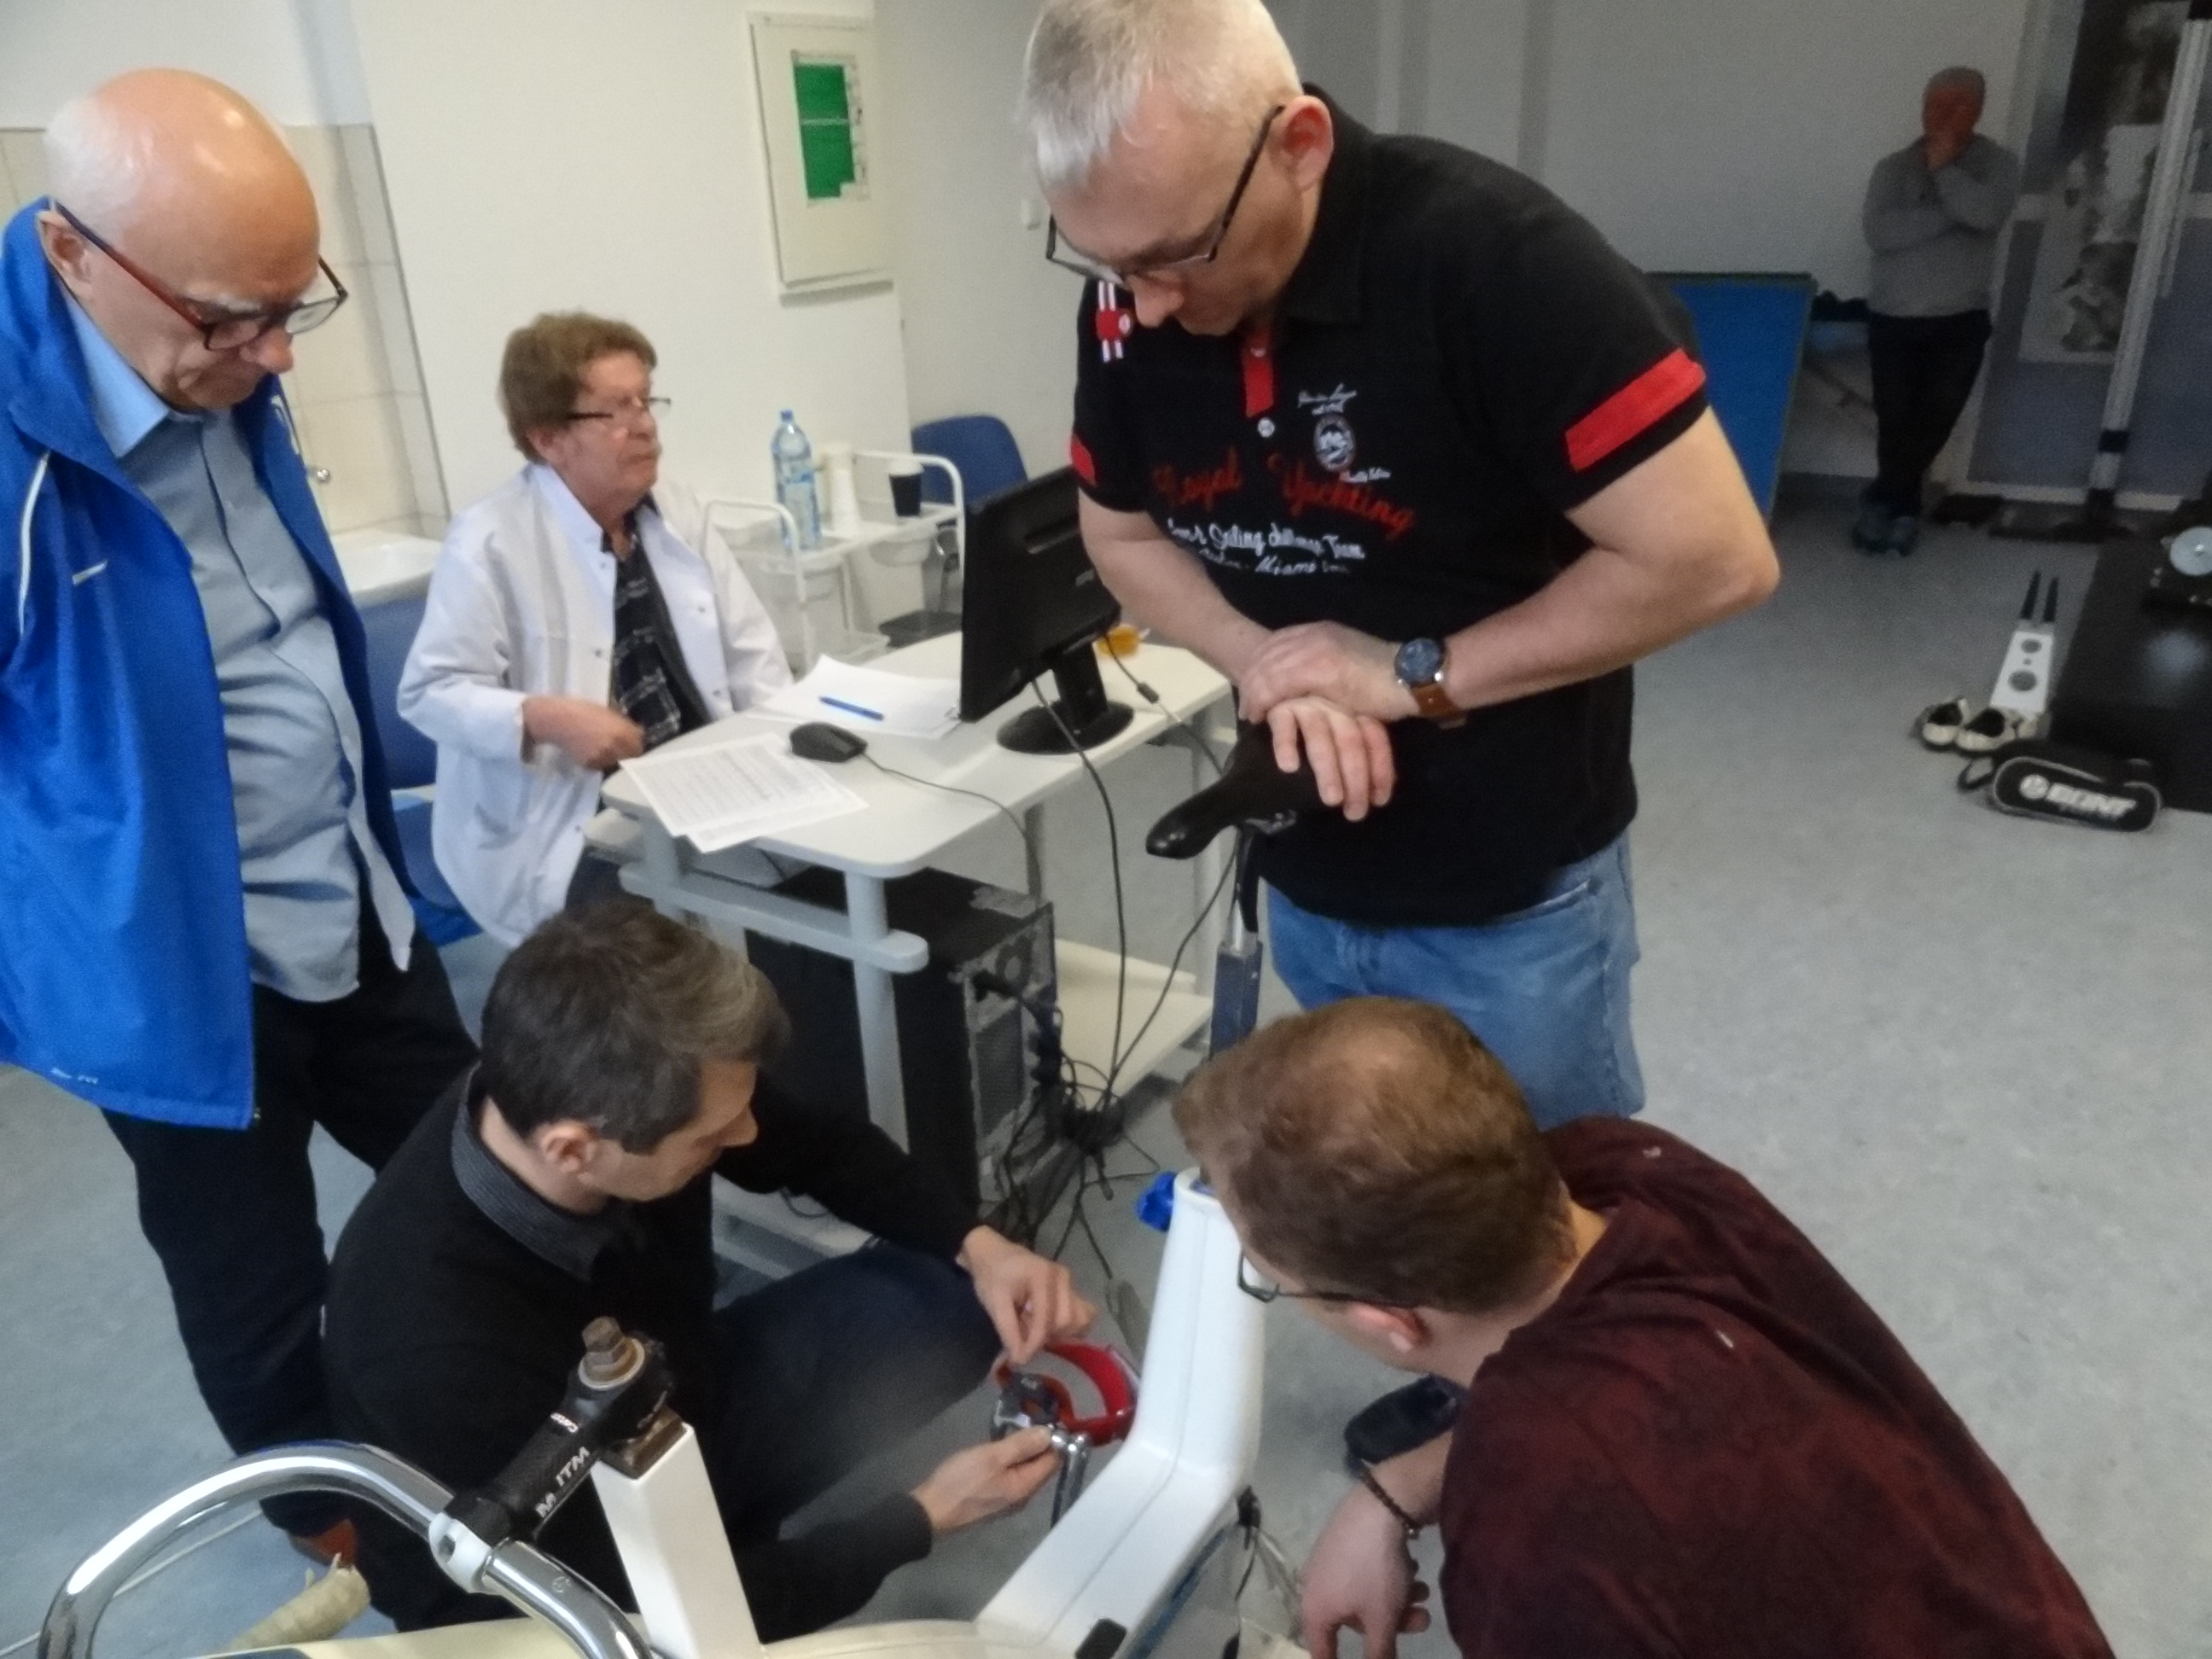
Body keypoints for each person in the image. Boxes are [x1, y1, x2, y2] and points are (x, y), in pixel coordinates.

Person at [1019, 0, 1778, 1135]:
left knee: (1546, 1193)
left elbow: (1714, 558)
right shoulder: (1132, 301)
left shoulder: (1498, 263)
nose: (1146, 306)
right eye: (1103, 261)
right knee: (1376, 1190)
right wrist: (1269, 661)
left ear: (1299, 145)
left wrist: (1406, 674)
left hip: (1509, 894)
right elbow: (1120, 535)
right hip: (1310, 866)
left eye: (1176, 255)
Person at [0, 71, 475, 1563]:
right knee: (254, 1275)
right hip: (175, 966)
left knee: (488, 1155)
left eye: (292, 306)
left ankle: (526, 1408)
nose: (274, 353)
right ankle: (335, 1531)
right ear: (73, 254)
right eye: (230, 319)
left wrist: (226, 334)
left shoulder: (220, 359)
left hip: (349, 889)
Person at [1174, 998, 2116, 1659]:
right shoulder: (1635, 1175)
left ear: (1392, 1323)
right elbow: (1620, 1417)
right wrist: (1391, 1492)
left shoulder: (1538, 1531)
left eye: (1274, 1280)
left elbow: (1586, 1461)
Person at [325, 902, 1094, 1632]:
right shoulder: (431, 1346)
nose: (750, 1134)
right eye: (711, 1138)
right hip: (546, 1597)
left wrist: (982, 1247)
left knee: (958, 1297)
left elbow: (822, 1148)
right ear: (575, 1150)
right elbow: (644, 1615)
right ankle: (742, 1532)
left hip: (673, 1391)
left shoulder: (594, 1090)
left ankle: (738, 1518)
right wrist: (921, 1517)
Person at [399, 312, 791, 946]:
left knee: (817, 888)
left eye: (646, 400)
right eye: (615, 410)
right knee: (666, 961)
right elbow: (429, 694)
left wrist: (790, 755)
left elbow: (752, 655)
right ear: (549, 438)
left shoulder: (676, 510)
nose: (645, 424)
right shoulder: (491, 539)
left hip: (698, 785)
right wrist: (547, 718)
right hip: (576, 821)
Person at [1856, 67, 2021, 556]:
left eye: (1957, 105)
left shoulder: (1997, 165)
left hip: (1959, 317)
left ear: (1979, 110)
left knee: (1936, 418)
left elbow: (1986, 215)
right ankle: (1902, 509)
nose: (1942, 115)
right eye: (1934, 104)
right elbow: (1881, 234)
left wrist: (1946, 171)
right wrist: (1953, 215)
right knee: (1895, 419)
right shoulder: (1892, 168)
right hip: (1893, 315)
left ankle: (1885, 498)